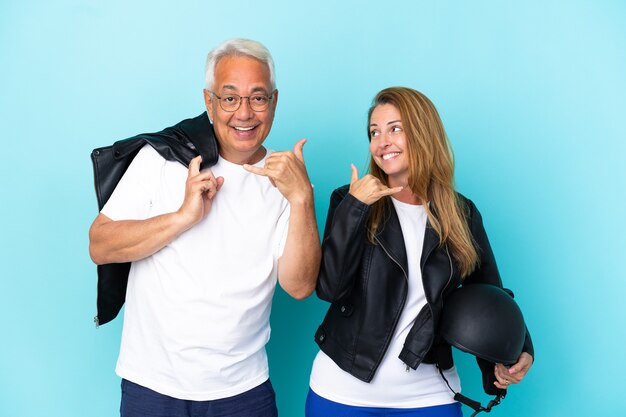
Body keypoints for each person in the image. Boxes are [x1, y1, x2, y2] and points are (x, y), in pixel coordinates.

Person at [88, 38, 321, 417]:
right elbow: (100, 244)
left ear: (274, 102)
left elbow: (299, 286)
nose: (244, 113)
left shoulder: (287, 181)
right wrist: (182, 217)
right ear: (209, 102)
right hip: (152, 386)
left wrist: (301, 199)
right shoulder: (160, 160)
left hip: (243, 391)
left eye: (258, 98)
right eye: (229, 98)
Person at [306, 87, 534, 417]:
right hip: (342, 391)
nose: (382, 141)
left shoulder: (462, 214)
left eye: (395, 128)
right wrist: (356, 208)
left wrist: (517, 351)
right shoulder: (349, 200)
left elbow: (488, 295)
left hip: (429, 393)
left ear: (423, 133)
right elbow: (330, 289)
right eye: (374, 132)